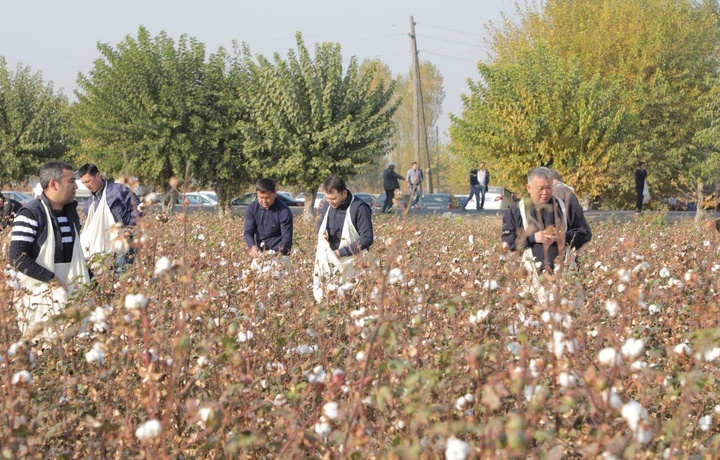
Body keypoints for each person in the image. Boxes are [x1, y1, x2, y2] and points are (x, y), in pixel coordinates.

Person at [9, 161, 91, 337]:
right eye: (71, 181)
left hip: (72, 296)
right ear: (54, 184)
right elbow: (17, 257)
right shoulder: (31, 214)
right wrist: (51, 279)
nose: (76, 186)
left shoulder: (72, 215)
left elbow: (75, 256)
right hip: (41, 301)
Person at [502, 166, 592, 275]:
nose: (545, 192)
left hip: (563, 275)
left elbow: (585, 234)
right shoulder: (516, 211)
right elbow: (507, 242)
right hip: (531, 277)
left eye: (549, 187)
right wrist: (533, 238)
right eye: (540, 188)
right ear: (528, 187)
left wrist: (563, 236)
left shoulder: (565, 207)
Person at [313, 176, 374, 302]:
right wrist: (323, 232)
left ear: (344, 193)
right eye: (327, 198)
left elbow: (367, 238)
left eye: (334, 198)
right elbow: (321, 223)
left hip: (353, 264)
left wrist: (341, 252)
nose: (330, 202)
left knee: (352, 301)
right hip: (330, 262)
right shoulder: (328, 205)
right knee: (327, 300)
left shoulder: (359, 208)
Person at [78, 163, 141, 265]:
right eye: (83, 183)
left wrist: (130, 228)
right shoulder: (89, 204)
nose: (86, 186)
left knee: (122, 272)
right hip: (102, 247)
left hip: (123, 241)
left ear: (98, 175)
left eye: (88, 181)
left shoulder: (118, 190)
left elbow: (138, 208)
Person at [243, 178, 293, 259]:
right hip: (260, 255)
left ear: (274, 194)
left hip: (280, 256)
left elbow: (287, 239)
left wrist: (272, 252)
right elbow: (248, 232)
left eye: (267, 197)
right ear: (257, 194)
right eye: (261, 197)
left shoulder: (284, 211)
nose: (264, 201)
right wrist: (252, 247)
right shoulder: (252, 208)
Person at [549, 169, 592, 247]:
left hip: (571, 237)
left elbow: (560, 217)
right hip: (579, 235)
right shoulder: (566, 190)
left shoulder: (557, 190)